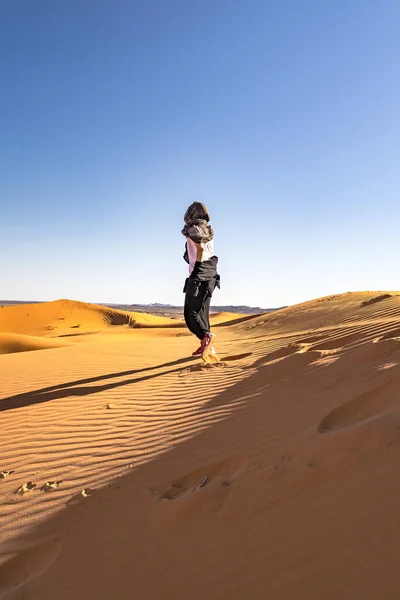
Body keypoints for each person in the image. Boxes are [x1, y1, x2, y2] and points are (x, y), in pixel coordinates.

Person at [182, 202, 220, 358]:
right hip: (211, 273)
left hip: (199, 273)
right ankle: (208, 347)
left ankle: (206, 337)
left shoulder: (194, 229)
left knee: (190, 314)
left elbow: (201, 249)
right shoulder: (208, 230)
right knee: (202, 313)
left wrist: (196, 266)